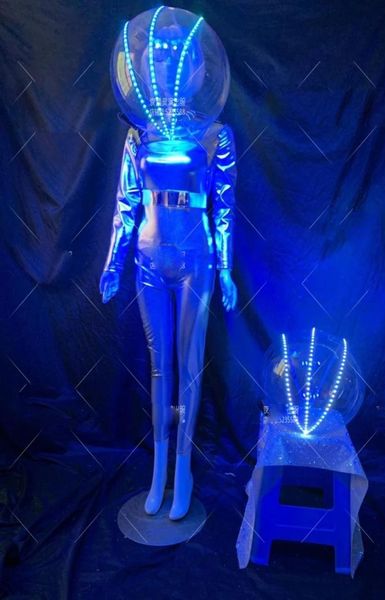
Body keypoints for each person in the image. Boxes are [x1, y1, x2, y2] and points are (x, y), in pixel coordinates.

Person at [100, 6, 237, 520]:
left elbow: (225, 207)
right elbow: (125, 203)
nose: (165, 64)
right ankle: (158, 468)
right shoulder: (137, 135)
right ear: (143, 65)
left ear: (196, 64)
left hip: (196, 259)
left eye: (177, 55)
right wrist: (113, 262)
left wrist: (226, 269)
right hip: (148, 257)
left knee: (189, 365)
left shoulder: (215, 134)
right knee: (159, 366)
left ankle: (183, 470)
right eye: (157, 56)